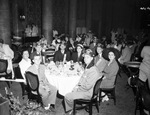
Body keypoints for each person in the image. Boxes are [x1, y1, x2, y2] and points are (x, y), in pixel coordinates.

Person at [64, 49, 100, 115]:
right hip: (85, 89)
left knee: (67, 96)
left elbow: (87, 86)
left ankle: (71, 111)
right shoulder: (89, 66)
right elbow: (83, 78)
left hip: (88, 93)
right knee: (69, 87)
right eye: (85, 57)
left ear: (92, 58)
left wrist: (77, 89)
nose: (85, 59)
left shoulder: (93, 70)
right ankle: (73, 106)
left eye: (87, 57)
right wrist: (77, 85)